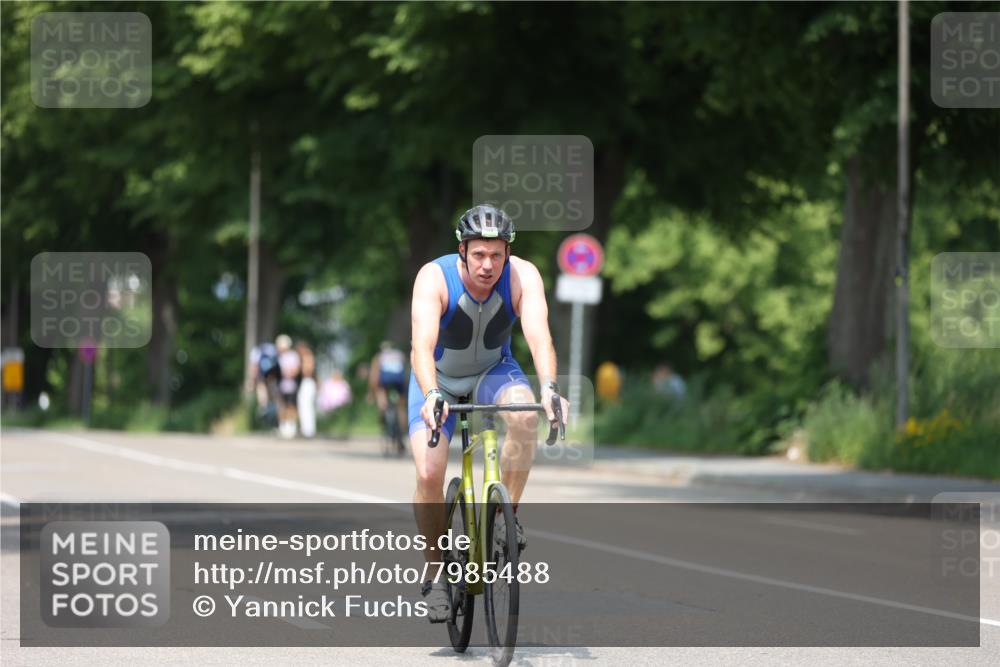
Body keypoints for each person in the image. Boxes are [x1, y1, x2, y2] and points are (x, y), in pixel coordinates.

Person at [408, 204, 568, 622]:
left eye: (497, 255)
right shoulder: (433, 277)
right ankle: (436, 576)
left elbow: (538, 334)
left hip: (493, 371)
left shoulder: (523, 276)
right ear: (462, 251)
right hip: (437, 379)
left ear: (507, 254)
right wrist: (429, 394)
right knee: (428, 472)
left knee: (525, 417)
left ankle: (504, 519)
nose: (488, 265)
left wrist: (550, 388)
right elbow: (421, 347)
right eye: (479, 254)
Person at [368, 341, 408, 449]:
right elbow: (405, 370)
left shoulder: (379, 357)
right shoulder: (399, 355)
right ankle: (402, 434)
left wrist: (371, 393)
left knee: (380, 392)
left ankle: (383, 412)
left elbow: (374, 375)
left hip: (385, 380)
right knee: (401, 408)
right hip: (399, 380)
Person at [247, 341, 279, 426]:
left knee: (261, 387)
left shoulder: (256, 351)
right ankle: (271, 408)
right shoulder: (272, 349)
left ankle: (264, 407)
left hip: (265, 373)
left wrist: (251, 380)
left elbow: (254, 366)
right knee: (272, 390)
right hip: (272, 374)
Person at [275, 334, 301, 438]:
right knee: (282, 406)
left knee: (291, 406)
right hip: (281, 385)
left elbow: (296, 369)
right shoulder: (278, 357)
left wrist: (289, 372)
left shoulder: (293, 355)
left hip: (291, 385)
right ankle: (282, 425)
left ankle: (292, 425)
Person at [295, 341, 317, 438]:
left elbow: (308, 371)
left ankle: (308, 430)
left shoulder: (307, 357)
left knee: (306, 406)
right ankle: (306, 428)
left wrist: (298, 369)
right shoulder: (307, 357)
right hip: (307, 382)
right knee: (304, 406)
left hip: (308, 382)